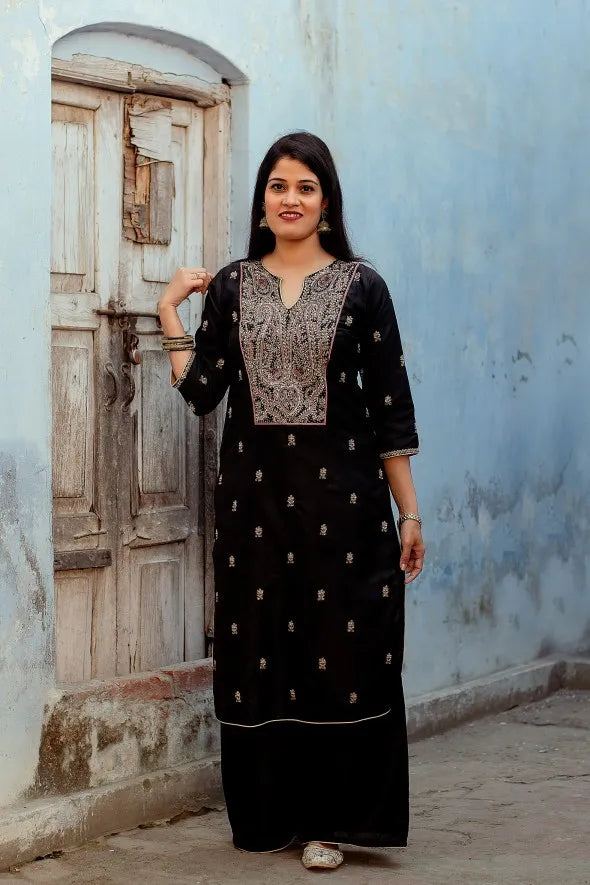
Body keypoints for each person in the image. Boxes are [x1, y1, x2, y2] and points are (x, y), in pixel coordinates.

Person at [157, 132, 424, 871]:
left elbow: (391, 411)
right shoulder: (235, 287)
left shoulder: (364, 287)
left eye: (306, 186)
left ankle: (331, 822)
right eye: (279, 185)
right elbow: (204, 390)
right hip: (255, 510)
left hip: (346, 507)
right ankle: (268, 815)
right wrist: (169, 311)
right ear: (263, 201)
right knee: (261, 649)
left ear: (327, 201)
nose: (291, 198)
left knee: (341, 650)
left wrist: (410, 511)